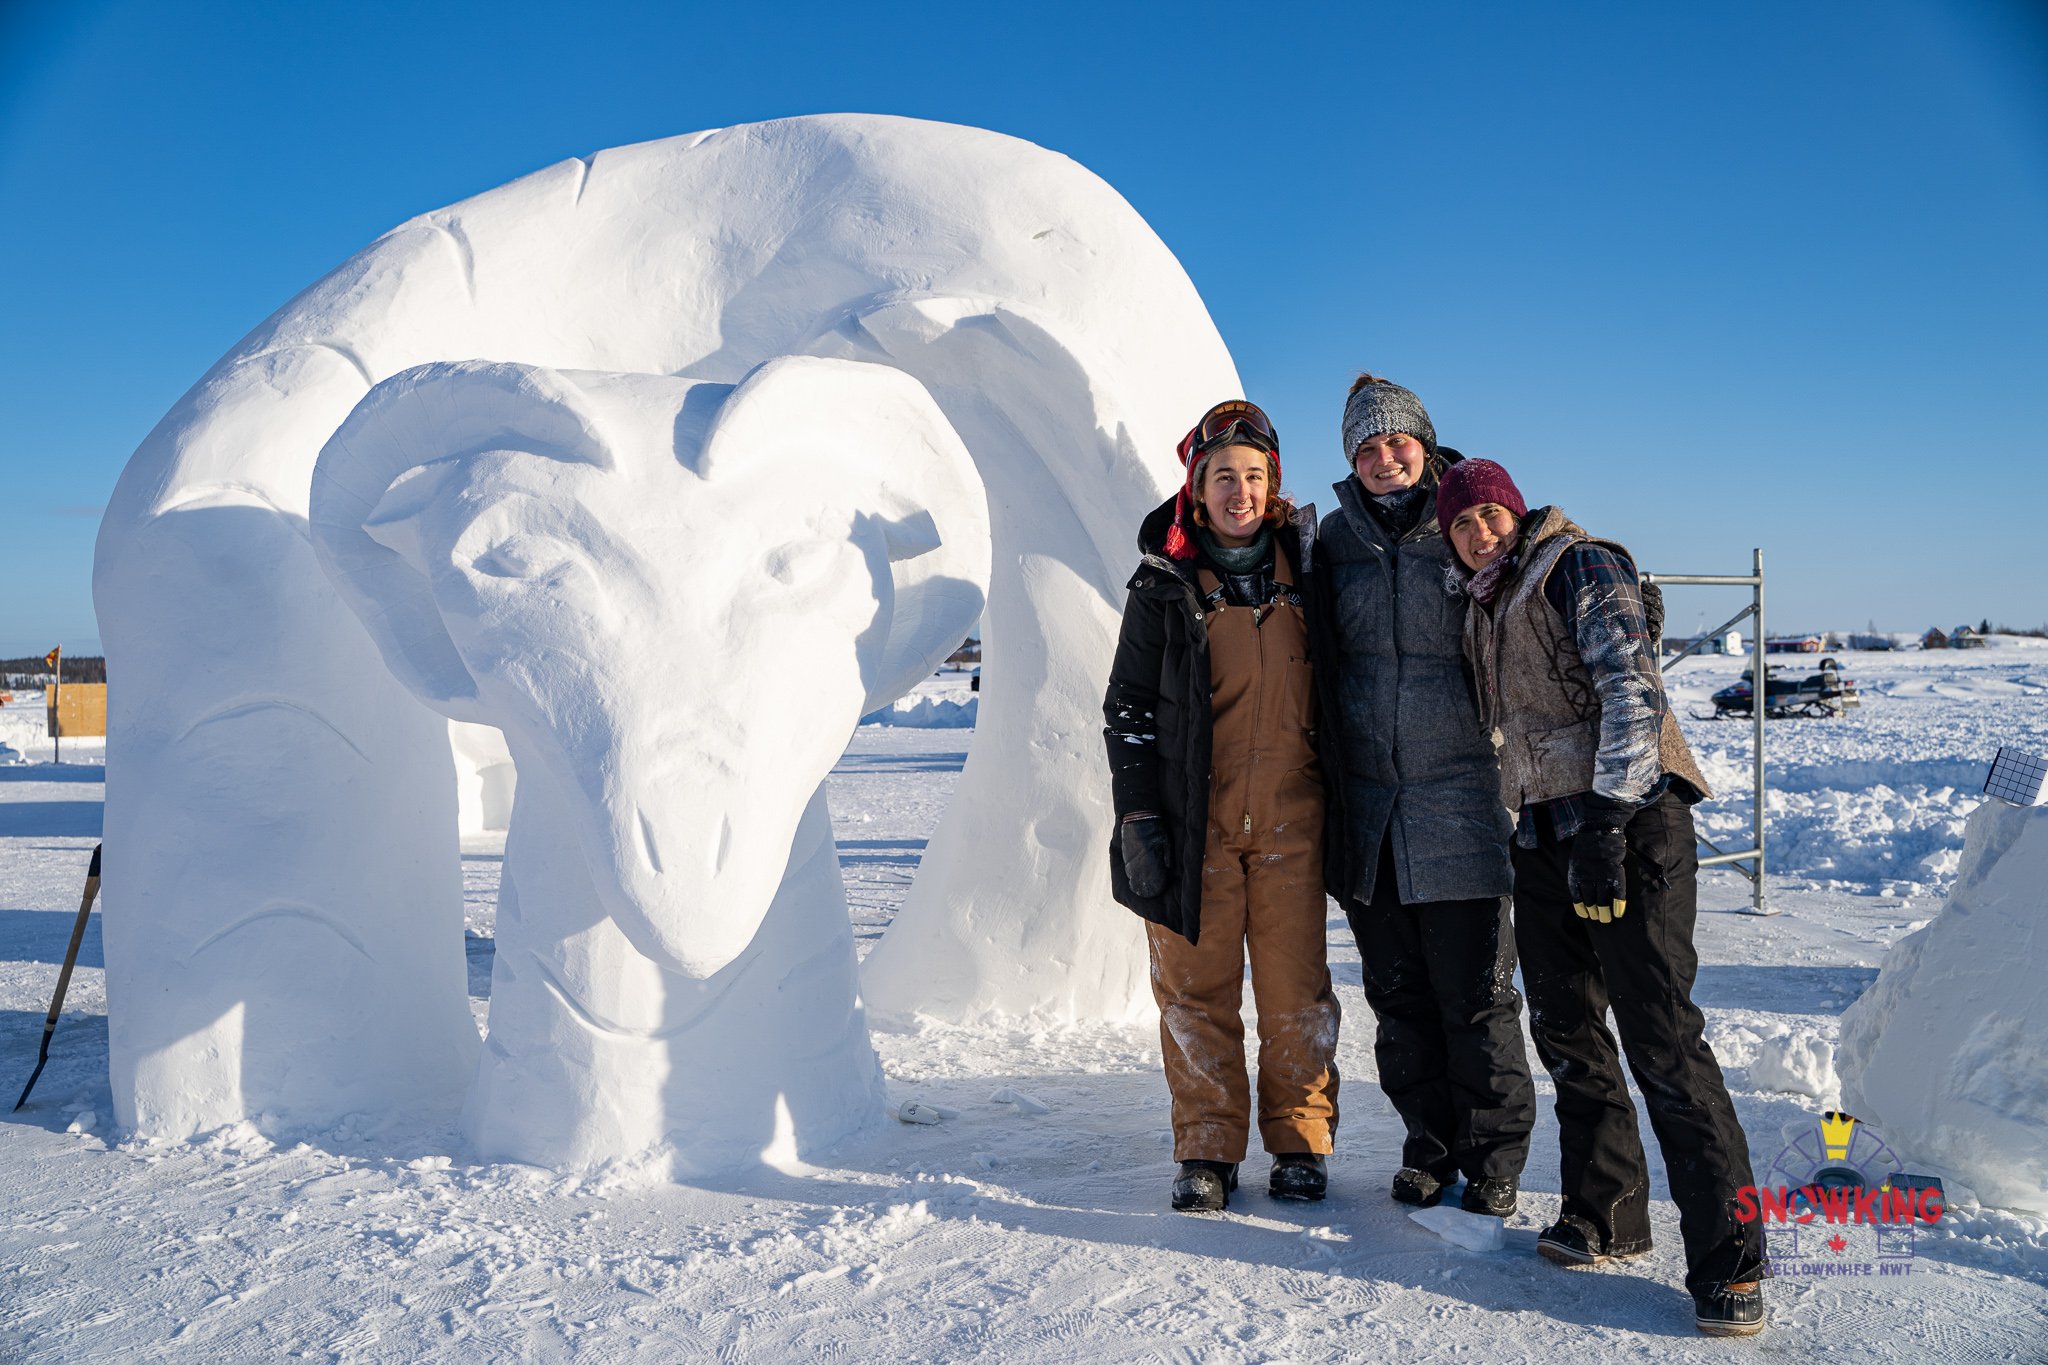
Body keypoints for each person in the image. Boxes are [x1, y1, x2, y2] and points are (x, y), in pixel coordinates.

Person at [1438, 457, 1768, 1338]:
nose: (1477, 533)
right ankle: (1606, 1208)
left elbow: (1631, 689)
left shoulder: (1579, 562)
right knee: (1569, 1029)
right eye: (1461, 525)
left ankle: (1732, 1261)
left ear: (1515, 512)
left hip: (1630, 823)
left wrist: (1610, 825)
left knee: (1662, 1038)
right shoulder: (1485, 598)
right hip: (1544, 834)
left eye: (1487, 517)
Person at [1102, 399, 1340, 1213]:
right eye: (1221, 476)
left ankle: (1300, 1139)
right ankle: (1207, 1146)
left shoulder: (1313, 575)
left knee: (1295, 993)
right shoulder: (1162, 586)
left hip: (1293, 821)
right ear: (1195, 488)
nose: (1238, 491)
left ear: (1273, 484)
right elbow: (1129, 708)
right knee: (1195, 996)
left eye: (1253, 475)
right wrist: (1139, 818)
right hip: (1193, 826)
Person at [1311, 376, 1534, 1219]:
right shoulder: (1332, 540)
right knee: (1399, 998)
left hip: (1462, 800)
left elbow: (1539, 562)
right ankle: (1430, 1148)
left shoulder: (1465, 524)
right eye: (1364, 449)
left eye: (1395, 442)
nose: (1382, 459)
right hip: (1371, 812)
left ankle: (1495, 1157)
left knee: (1476, 994)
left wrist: (1631, 599)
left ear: (1425, 440)